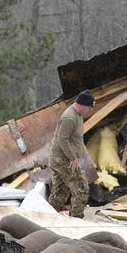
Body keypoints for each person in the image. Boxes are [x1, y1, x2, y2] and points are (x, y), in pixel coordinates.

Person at [48, 90, 95, 218]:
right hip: (63, 159)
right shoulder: (69, 118)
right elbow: (62, 139)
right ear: (83, 105)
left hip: (63, 158)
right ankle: (76, 219)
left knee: (60, 192)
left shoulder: (78, 115)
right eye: (89, 108)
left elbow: (76, 139)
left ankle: (47, 215)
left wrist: (77, 156)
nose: (89, 111)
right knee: (81, 189)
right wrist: (73, 158)